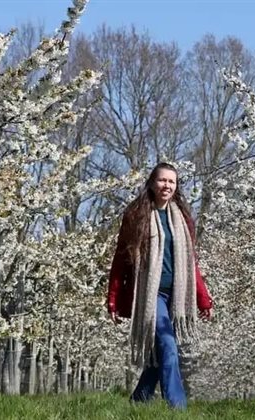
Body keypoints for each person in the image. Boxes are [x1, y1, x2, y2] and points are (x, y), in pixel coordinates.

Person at [106, 162, 213, 409]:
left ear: (176, 186)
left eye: (172, 182)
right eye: (162, 180)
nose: (167, 185)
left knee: (160, 355)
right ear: (152, 183)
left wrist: (203, 299)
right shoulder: (136, 215)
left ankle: (138, 403)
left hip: (175, 295)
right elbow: (121, 259)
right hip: (149, 295)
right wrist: (113, 298)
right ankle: (178, 408)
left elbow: (190, 264)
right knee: (167, 345)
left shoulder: (182, 219)